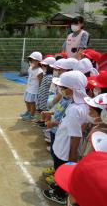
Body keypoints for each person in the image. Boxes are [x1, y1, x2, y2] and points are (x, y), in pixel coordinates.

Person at [42, 71, 89, 205]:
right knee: (59, 168)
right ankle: (59, 187)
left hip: (65, 148)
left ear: (72, 89)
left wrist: (72, 157)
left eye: (63, 87)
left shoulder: (75, 109)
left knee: (62, 169)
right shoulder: (78, 105)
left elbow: (76, 135)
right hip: (62, 143)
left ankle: (60, 194)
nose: (60, 89)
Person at [21, 52, 43, 121]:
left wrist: (39, 90)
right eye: (31, 60)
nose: (32, 61)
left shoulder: (39, 71)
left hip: (34, 89)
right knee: (26, 100)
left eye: (35, 60)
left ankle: (32, 115)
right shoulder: (30, 68)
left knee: (32, 102)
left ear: (39, 61)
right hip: (29, 87)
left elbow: (40, 81)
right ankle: (28, 111)